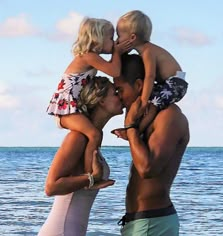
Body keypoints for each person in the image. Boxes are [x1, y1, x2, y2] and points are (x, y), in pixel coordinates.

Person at [114, 54, 190, 236]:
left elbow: (147, 169)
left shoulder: (169, 117)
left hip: (153, 224)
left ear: (139, 85)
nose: (118, 96)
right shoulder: (149, 120)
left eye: (120, 90)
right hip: (141, 222)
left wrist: (131, 128)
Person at [38, 76, 123, 236]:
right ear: (101, 101)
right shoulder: (77, 137)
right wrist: (92, 178)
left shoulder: (95, 136)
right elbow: (51, 187)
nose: (120, 96)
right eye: (115, 93)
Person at [46, 17, 131, 173]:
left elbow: (113, 68)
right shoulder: (88, 56)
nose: (113, 43)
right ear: (97, 39)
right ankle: (90, 174)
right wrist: (117, 52)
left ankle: (92, 163)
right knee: (93, 133)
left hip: (70, 108)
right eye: (110, 38)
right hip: (66, 109)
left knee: (96, 133)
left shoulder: (90, 57)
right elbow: (114, 71)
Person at [115, 10, 188, 132]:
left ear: (132, 37)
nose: (117, 41)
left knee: (153, 105)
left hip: (176, 83)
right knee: (147, 100)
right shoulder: (144, 51)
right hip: (166, 83)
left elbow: (150, 76)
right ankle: (134, 127)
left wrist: (144, 102)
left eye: (119, 36)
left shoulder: (147, 51)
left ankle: (138, 131)